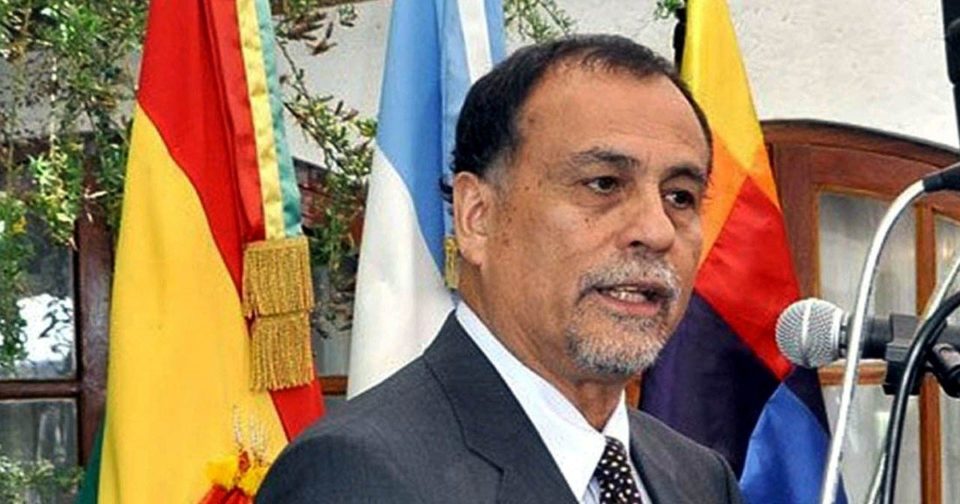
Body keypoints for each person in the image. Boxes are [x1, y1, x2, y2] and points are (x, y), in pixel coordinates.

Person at [257, 35, 742, 504]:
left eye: (680, 196)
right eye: (603, 184)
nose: (656, 230)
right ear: (477, 217)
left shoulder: (699, 478)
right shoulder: (355, 474)